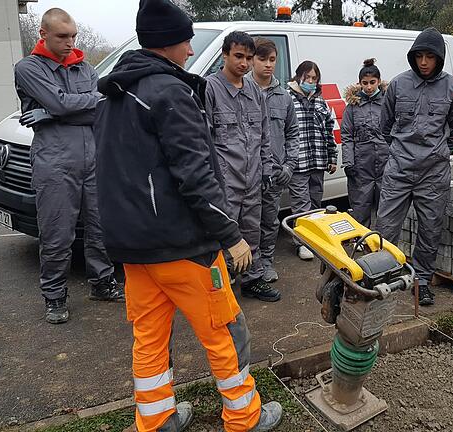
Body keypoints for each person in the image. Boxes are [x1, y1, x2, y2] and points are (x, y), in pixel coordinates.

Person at [93, 0, 282, 430]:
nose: (191, 45)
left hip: (135, 249)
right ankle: (244, 416)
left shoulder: (113, 95)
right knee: (224, 330)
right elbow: (195, 174)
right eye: (186, 38)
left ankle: (157, 420)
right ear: (169, 42)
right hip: (183, 246)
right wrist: (229, 234)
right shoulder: (171, 92)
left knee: (150, 337)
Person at [14, 7, 123, 325]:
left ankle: (102, 284)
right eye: (63, 36)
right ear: (43, 35)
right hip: (55, 162)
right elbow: (68, 101)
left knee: (99, 228)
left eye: (73, 35)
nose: (70, 42)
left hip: (93, 159)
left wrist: (50, 113)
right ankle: (55, 296)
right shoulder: (28, 68)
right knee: (57, 234)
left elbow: (100, 110)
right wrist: (64, 105)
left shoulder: (85, 68)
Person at [376, 28, 453, 307]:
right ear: (412, 57)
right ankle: (381, 277)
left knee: (430, 228)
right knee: (386, 227)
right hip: (399, 169)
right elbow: (385, 125)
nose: (424, 62)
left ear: (439, 58)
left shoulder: (452, 87)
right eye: (419, 56)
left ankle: (422, 280)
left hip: (434, 172)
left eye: (430, 56)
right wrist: (400, 153)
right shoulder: (398, 85)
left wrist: (439, 151)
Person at [205, 32, 280, 302]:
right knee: (221, 234)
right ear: (224, 55)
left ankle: (251, 280)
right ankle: (220, 286)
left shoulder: (254, 93)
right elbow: (205, 139)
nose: (244, 63)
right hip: (224, 181)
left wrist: (266, 169)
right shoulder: (210, 89)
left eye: (249, 57)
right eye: (238, 56)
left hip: (252, 178)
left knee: (251, 231)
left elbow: (264, 136)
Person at [249, 38, 300, 283]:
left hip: (275, 174)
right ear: (252, 60)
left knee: (269, 221)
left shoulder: (284, 97)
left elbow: (293, 133)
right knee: (245, 223)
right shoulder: (240, 91)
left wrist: (290, 165)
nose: (268, 65)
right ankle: (246, 265)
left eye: (272, 60)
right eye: (262, 59)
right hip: (246, 174)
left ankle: (266, 262)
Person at [287, 61, 338, 261]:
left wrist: (332, 157)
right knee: (301, 205)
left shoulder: (320, 101)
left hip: (318, 161)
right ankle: (302, 243)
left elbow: (328, 131)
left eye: (314, 78)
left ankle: (314, 239)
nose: (310, 81)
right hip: (298, 163)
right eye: (307, 77)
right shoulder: (287, 99)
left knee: (316, 204)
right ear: (298, 76)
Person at [340, 58, 389, 229]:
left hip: (385, 162)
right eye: (365, 83)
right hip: (361, 166)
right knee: (360, 205)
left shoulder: (388, 103)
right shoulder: (353, 106)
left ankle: (385, 241)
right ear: (359, 83)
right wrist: (348, 162)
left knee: (386, 206)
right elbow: (346, 135)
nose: (369, 87)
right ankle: (361, 241)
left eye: (372, 82)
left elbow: (397, 131)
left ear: (379, 81)